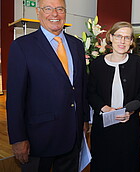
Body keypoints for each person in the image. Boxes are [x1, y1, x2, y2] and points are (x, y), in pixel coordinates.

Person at [6, 0, 90, 171]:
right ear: (38, 12)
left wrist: (84, 118)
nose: (55, 14)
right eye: (48, 9)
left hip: (72, 135)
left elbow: (81, 86)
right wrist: (18, 138)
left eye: (60, 9)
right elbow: (15, 99)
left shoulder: (76, 45)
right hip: (38, 139)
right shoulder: (22, 46)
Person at [88, 21, 140, 172]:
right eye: (119, 36)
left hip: (129, 127)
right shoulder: (97, 64)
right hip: (103, 127)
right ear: (110, 37)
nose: (122, 41)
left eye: (127, 38)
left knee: (128, 165)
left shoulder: (138, 63)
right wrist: (104, 108)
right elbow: (90, 92)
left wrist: (131, 110)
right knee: (103, 164)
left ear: (132, 42)